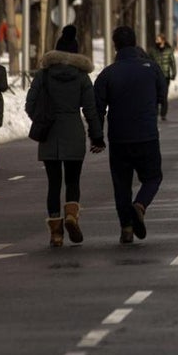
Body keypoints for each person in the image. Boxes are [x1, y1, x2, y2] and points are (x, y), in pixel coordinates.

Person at [26, 25, 104, 247]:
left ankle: (56, 233)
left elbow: (30, 104)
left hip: (49, 134)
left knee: (53, 184)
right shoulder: (81, 77)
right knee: (72, 180)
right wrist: (97, 136)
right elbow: (90, 110)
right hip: (73, 132)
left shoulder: (43, 75)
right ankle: (71, 214)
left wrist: (42, 118)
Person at [94, 26, 167, 245]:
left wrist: (97, 137)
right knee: (153, 177)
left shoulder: (108, 73)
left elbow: (97, 107)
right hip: (147, 135)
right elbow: (162, 95)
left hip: (119, 138)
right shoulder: (152, 68)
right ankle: (141, 205)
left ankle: (126, 227)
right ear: (135, 43)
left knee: (121, 184)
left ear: (115, 45)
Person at [149, 34, 177, 120]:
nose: (157, 41)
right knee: (155, 95)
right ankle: (155, 112)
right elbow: (149, 62)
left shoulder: (169, 51)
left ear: (163, 40)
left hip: (165, 76)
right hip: (155, 76)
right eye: (156, 39)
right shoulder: (153, 51)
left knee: (164, 95)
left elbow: (172, 63)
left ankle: (163, 114)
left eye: (158, 39)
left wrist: (173, 73)